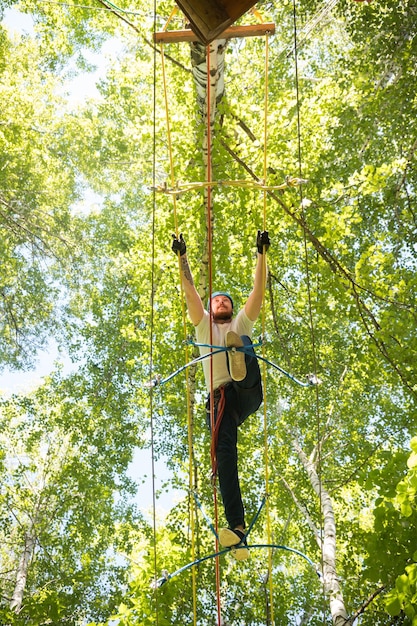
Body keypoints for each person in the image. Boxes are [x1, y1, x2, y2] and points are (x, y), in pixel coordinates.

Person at [171, 230, 270, 560]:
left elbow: (258, 291)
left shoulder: (240, 322)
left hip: (245, 391)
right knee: (225, 454)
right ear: (211, 310)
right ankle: (238, 529)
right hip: (219, 401)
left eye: (226, 300)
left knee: (242, 341)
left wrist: (261, 254)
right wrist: (182, 258)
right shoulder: (203, 327)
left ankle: (239, 363)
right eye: (217, 302)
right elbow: (190, 294)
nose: (222, 303)